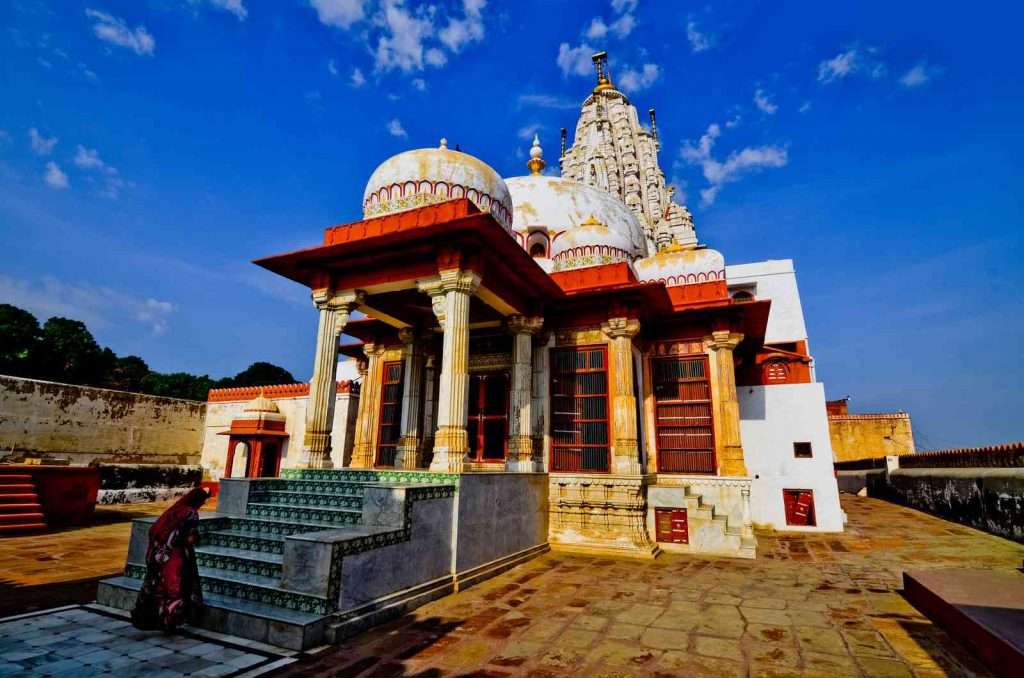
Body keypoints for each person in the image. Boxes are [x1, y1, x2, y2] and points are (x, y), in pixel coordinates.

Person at [131, 487, 209, 631]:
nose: (202, 504)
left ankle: (152, 617)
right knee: (177, 587)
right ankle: (169, 620)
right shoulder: (191, 513)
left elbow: (154, 530)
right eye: (202, 501)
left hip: (157, 554)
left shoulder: (173, 510)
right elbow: (189, 538)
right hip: (175, 556)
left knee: (158, 586)